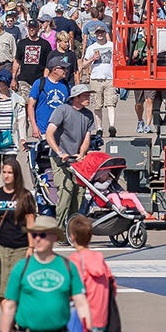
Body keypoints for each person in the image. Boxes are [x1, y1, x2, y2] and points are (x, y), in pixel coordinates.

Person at [45, 82, 95, 229]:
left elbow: (87, 137)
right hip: (59, 158)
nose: (88, 98)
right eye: (85, 95)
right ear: (76, 97)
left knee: (79, 193)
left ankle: (71, 229)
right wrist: (60, 152)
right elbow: (49, 134)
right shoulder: (62, 110)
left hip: (76, 159)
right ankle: (59, 229)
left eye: (88, 95)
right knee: (66, 191)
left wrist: (81, 153)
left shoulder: (88, 115)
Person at [0, 156, 37, 299]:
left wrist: (31, 247)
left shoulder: (24, 196)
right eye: (4, 172)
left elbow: (30, 223)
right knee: (2, 289)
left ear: (16, 174)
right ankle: (9, 321)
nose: (6, 176)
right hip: (0, 248)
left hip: (21, 247)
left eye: (10, 173)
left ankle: (17, 318)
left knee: (18, 287)